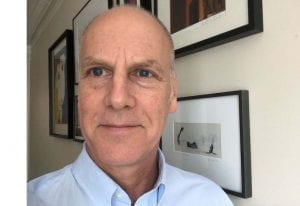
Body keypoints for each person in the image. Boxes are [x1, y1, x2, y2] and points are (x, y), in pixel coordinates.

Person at [28, 6, 233, 206]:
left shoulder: (211, 199)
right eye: (98, 72)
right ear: (80, 93)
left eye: (144, 73)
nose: (117, 100)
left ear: (172, 94)